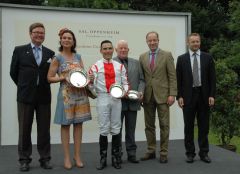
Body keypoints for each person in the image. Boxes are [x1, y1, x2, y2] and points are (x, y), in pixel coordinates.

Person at [10, 22, 55, 172]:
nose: (39, 35)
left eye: (42, 33)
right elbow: (13, 72)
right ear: (30, 34)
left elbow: (52, 74)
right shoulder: (20, 50)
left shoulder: (50, 53)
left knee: (44, 130)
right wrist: (25, 86)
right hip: (25, 97)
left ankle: (45, 159)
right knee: (24, 129)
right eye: (36, 32)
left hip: (43, 97)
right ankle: (24, 160)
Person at [47, 28, 92, 169]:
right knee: (65, 126)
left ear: (73, 41)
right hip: (66, 96)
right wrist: (63, 77)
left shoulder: (78, 56)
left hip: (80, 95)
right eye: (64, 38)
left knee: (79, 125)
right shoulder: (57, 58)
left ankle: (77, 156)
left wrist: (89, 78)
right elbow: (49, 78)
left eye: (69, 38)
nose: (67, 40)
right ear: (61, 40)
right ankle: (67, 157)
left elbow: (83, 75)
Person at [176, 33, 216, 163]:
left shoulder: (208, 58)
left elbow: (212, 79)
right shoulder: (181, 59)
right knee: (188, 127)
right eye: (192, 42)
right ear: (188, 43)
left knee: (204, 127)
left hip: (204, 96)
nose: (195, 44)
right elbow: (178, 80)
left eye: (197, 41)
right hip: (188, 96)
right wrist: (179, 96)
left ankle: (204, 153)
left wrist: (212, 95)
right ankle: (190, 153)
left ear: (200, 43)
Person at [89, 40, 129, 170]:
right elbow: (89, 85)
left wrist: (124, 92)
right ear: (101, 50)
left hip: (116, 99)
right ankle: (103, 159)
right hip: (102, 98)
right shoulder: (95, 66)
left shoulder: (120, 66)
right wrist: (90, 83)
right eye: (104, 48)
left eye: (109, 48)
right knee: (104, 128)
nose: (107, 50)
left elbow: (126, 83)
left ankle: (116, 158)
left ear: (113, 50)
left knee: (116, 128)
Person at [139, 31, 177, 163]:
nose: (152, 42)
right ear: (147, 42)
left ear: (158, 40)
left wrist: (172, 94)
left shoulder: (167, 55)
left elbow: (172, 76)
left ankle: (164, 152)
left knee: (164, 125)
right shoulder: (142, 57)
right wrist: (141, 93)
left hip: (163, 96)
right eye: (150, 40)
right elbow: (142, 78)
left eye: (154, 40)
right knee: (149, 126)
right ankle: (150, 150)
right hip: (148, 97)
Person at [113, 40, 145, 163]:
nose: (123, 50)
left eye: (125, 48)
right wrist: (120, 93)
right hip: (117, 102)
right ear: (116, 50)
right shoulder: (111, 63)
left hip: (133, 102)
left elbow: (142, 80)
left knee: (131, 130)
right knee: (118, 131)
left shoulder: (136, 63)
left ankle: (132, 154)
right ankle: (118, 154)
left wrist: (141, 92)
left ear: (128, 49)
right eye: (121, 48)